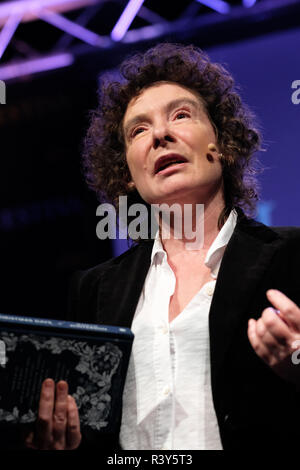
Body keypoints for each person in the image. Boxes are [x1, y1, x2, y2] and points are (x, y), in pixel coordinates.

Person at [25, 43, 300, 450]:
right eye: (138, 130)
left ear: (221, 145)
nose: (159, 134)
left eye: (181, 115)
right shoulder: (93, 291)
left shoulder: (293, 257)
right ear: (127, 177)